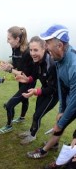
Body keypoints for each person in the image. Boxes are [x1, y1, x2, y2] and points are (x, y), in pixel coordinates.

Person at [26, 25, 76, 164]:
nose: (46, 47)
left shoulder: (73, 65)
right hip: (72, 98)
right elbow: (61, 87)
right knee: (60, 121)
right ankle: (53, 145)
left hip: (75, 100)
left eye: (48, 43)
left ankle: (45, 152)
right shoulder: (59, 60)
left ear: (59, 45)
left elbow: (74, 101)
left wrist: (62, 121)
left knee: (63, 127)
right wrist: (61, 110)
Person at [15, 36, 58, 145]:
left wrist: (36, 91)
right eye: (31, 50)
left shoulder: (51, 64)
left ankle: (32, 136)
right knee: (36, 113)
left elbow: (53, 88)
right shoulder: (37, 60)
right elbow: (35, 74)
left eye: (36, 50)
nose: (32, 53)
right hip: (44, 90)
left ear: (44, 49)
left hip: (53, 95)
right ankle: (30, 131)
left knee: (37, 115)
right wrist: (27, 79)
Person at [0, 26, 35, 134]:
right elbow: (16, 62)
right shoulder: (14, 48)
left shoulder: (27, 52)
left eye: (9, 38)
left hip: (28, 81)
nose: (7, 41)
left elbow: (25, 74)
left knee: (9, 105)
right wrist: (9, 64)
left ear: (17, 39)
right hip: (20, 80)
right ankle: (22, 118)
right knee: (24, 99)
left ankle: (9, 126)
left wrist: (9, 70)